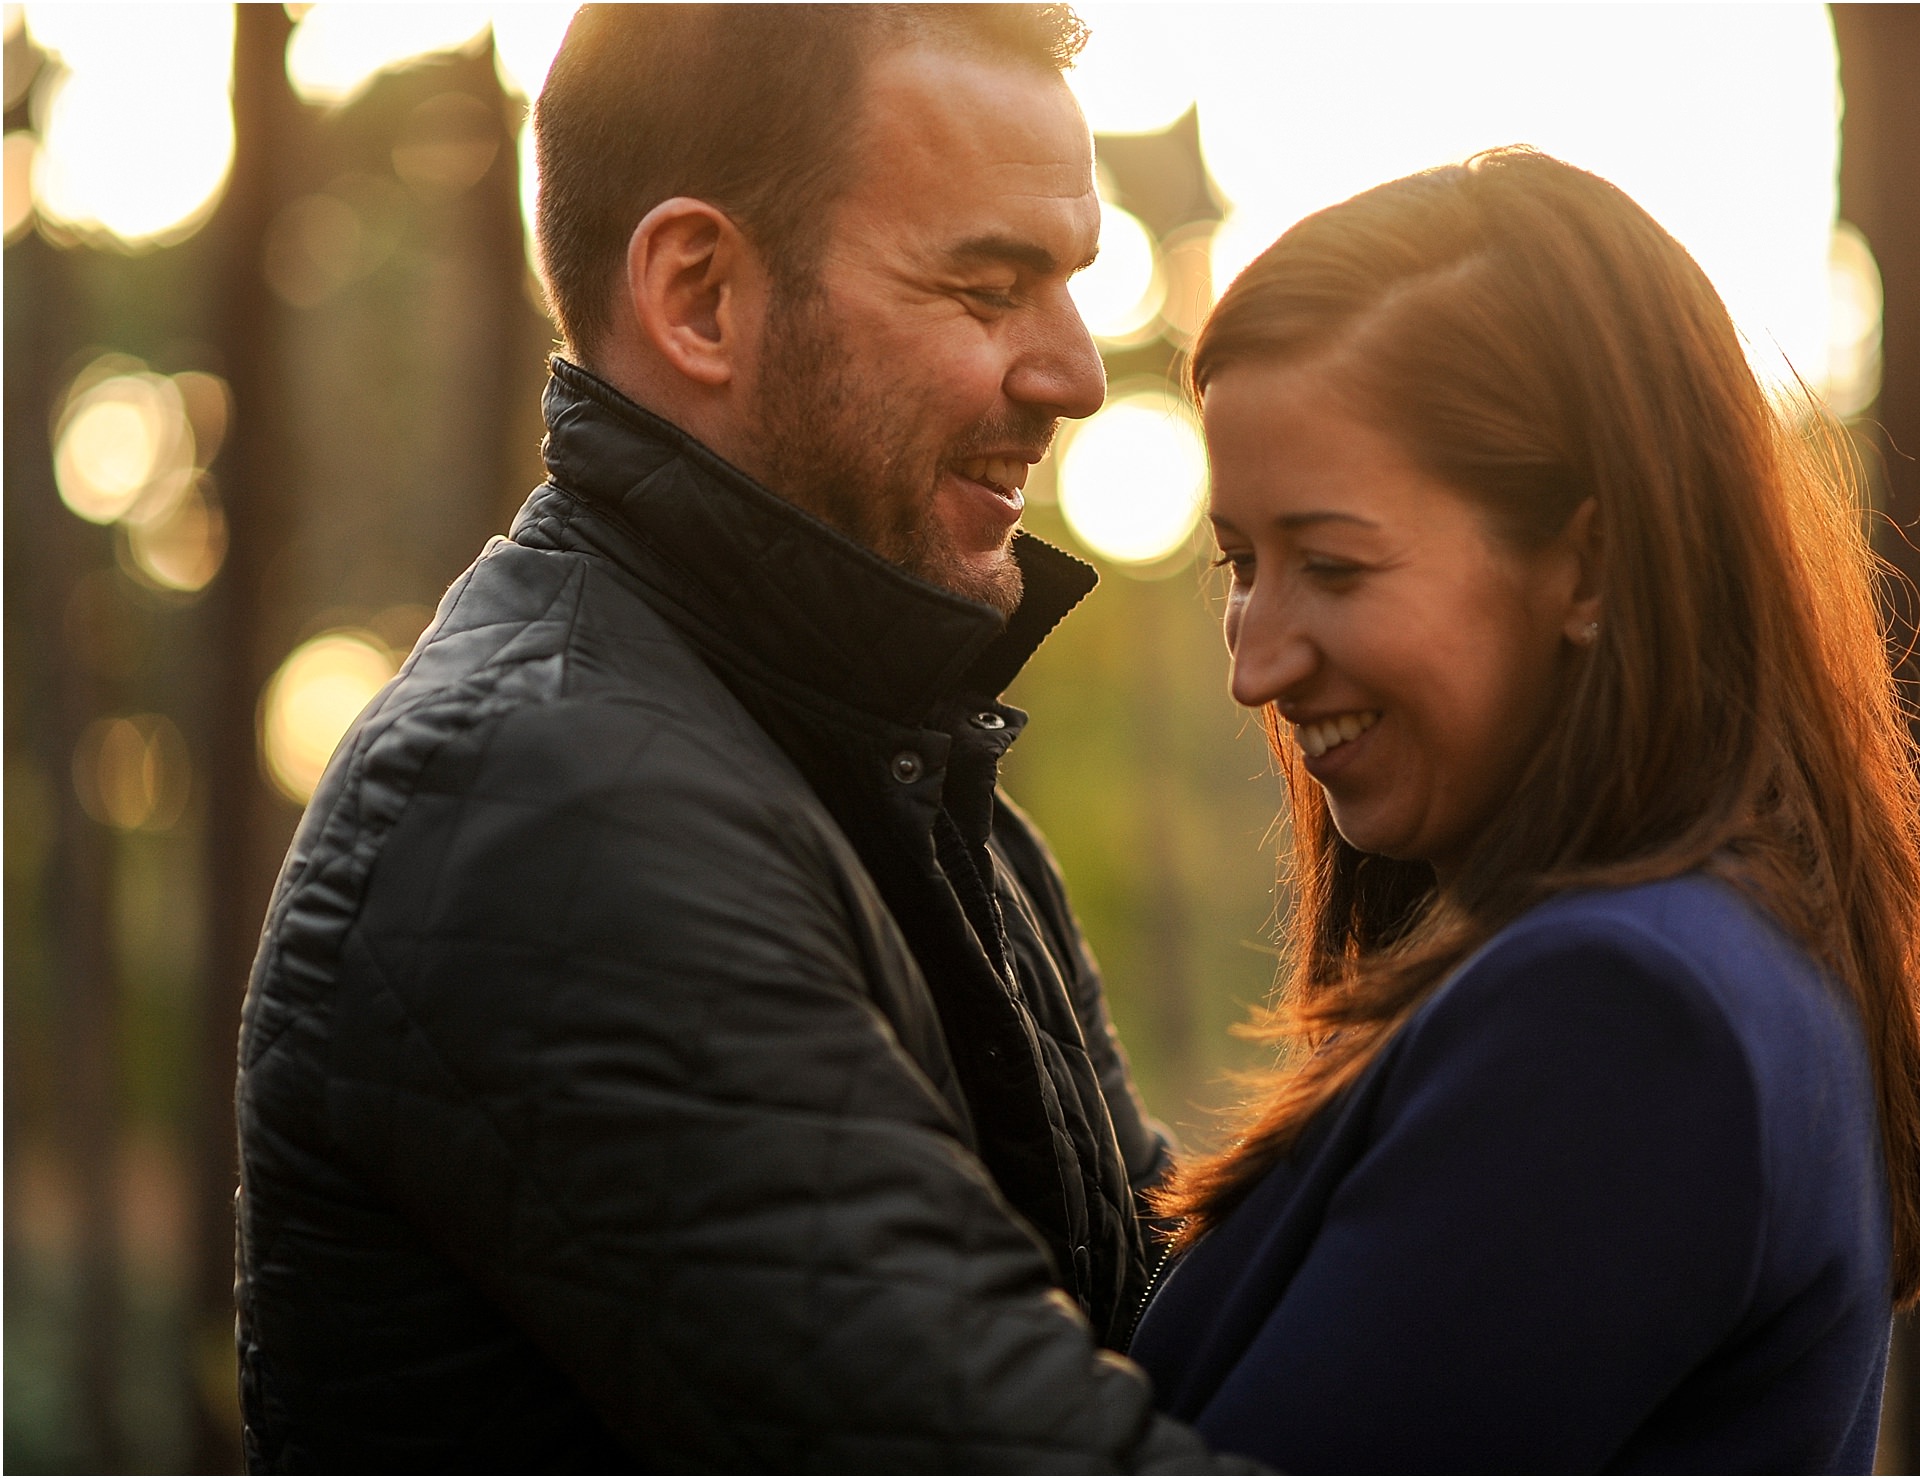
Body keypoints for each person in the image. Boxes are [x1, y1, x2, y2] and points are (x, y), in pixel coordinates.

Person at [234, 6, 1252, 1470]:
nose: (1077, 373)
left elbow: (1180, 1331)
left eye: (1069, 288)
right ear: (701, 296)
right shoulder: (544, 802)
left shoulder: (890, 770)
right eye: (988, 288)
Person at [1126, 149, 1920, 1475]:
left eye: (1332, 566)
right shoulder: (1712, 955)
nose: (1256, 661)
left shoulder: (1623, 1015)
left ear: (1586, 563)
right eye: (1240, 564)